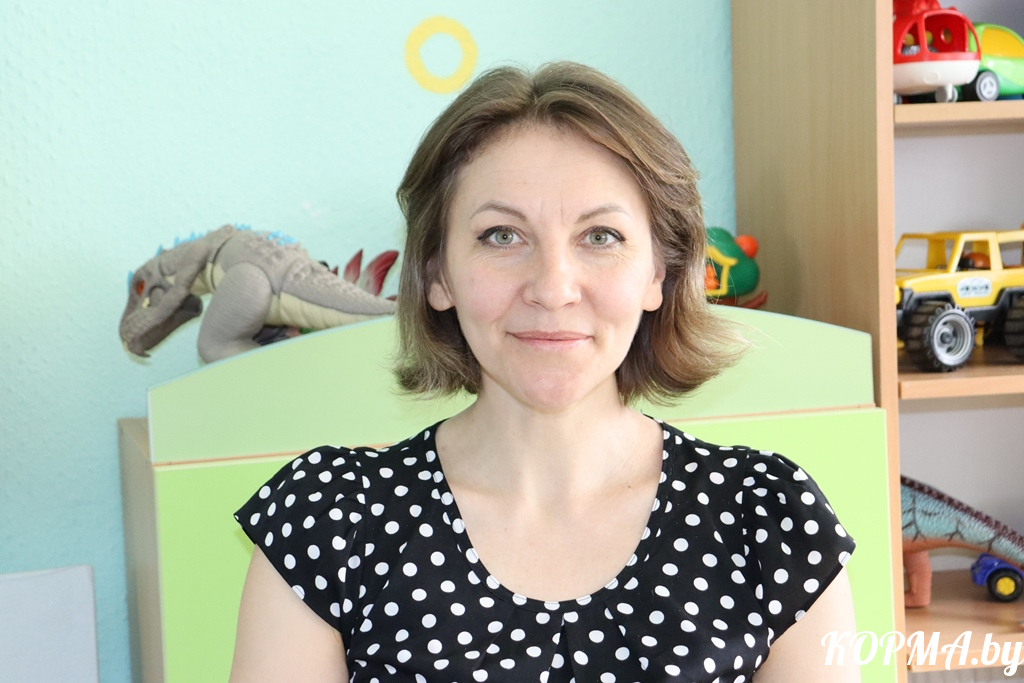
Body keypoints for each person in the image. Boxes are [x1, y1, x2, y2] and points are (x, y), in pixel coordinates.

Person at [229, 62, 859, 682]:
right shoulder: (331, 518)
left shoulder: (768, 519)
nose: (553, 289)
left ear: (658, 274)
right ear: (437, 274)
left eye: (601, 236)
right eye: (502, 236)